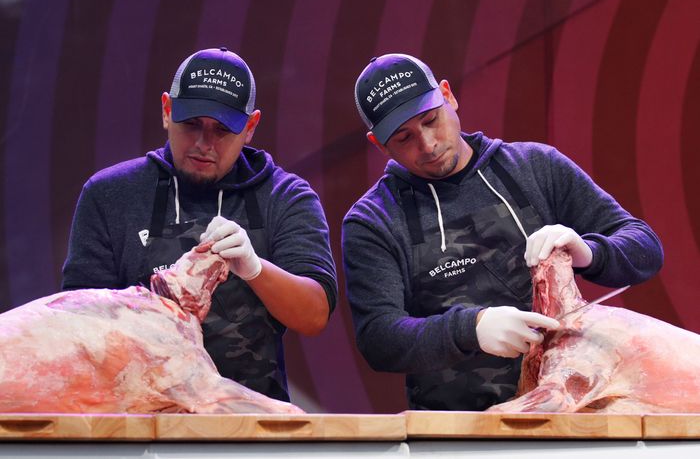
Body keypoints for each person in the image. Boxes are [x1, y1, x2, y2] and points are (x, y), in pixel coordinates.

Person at [343, 53, 663, 411]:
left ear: (447, 95)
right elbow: (379, 338)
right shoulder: (374, 220)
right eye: (404, 138)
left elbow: (645, 249)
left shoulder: (535, 168)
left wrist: (588, 251)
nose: (428, 144)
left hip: (569, 413)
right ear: (378, 144)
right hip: (454, 433)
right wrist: (471, 329)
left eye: (431, 120)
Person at [62, 48, 337, 402]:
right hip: (139, 424)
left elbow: (314, 315)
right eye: (191, 125)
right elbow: (78, 325)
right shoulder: (109, 195)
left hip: (253, 428)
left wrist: (255, 270)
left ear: (250, 128)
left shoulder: (285, 196)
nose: (204, 145)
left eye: (222, 131)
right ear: (166, 111)